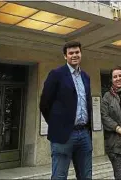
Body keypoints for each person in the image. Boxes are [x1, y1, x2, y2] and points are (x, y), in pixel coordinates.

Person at [39, 41, 92, 180]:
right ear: (65, 56)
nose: (74, 55)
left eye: (77, 52)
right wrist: (56, 124)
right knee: (59, 176)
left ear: (81, 54)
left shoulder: (86, 77)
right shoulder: (56, 74)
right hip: (63, 136)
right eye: (71, 53)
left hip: (84, 134)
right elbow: (44, 103)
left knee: (86, 176)